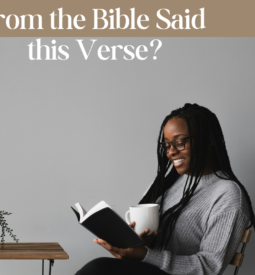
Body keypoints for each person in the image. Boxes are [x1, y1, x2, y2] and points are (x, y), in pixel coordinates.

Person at [75, 103, 255, 275]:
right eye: (167, 145)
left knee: (98, 269)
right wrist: (142, 243)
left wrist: (145, 255)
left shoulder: (228, 194)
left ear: (208, 139)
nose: (170, 152)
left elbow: (209, 268)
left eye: (179, 141)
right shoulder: (169, 183)